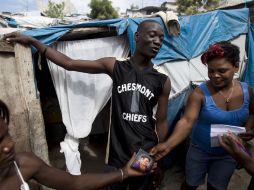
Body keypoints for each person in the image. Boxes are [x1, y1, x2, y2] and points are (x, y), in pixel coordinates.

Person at [4, 19, 171, 190]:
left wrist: (161, 159)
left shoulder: (162, 79)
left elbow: (161, 121)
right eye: (152, 36)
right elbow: (69, 64)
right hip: (117, 153)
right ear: (137, 36)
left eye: (161, 38)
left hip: (145, 153)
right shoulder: (116, 66)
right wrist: (33, 42)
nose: (157, 41)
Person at [150, 41, 254, 190]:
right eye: (211, 71)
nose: (215, 76)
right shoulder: (199, 93)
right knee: (190, 184)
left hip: (229, 154)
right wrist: (168, 145)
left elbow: (252, 113)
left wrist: (248, 129)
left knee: (216, 187)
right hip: (200, 151)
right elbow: (187, 121)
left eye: (222, 70)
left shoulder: (248, 91)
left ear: (236, 66)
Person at [0, 99, 155, 190]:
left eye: (8, 134)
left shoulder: (24, 165)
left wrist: (124, 173)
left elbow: (75, 182)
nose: (9, 144)